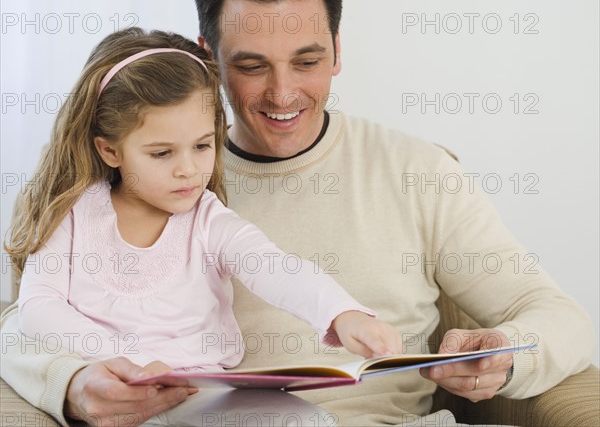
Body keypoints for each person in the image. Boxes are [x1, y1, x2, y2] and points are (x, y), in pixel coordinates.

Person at [0, 0, 595, 426]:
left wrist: (505, 358)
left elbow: (553, 313)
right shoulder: (121, 185)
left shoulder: (419, 172)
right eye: (251, 66)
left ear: (337, 50)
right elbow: (21, 322)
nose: (282, 94)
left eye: (307, 62)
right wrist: (72, 381)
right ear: (207, 61)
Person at [5, 26, 405, 423]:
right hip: (126, 395)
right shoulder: (72, 216)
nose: (188, 170)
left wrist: (341, 314)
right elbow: (39, 308)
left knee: (310, 421)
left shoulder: (208, 220)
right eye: (162, 153)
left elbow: (277, 268)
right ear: (110, 150)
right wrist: (126, 359)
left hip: (209, 396)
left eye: (202, 146)